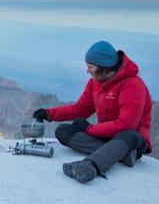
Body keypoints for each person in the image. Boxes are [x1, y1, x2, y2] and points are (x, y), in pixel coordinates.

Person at [33, 40, 152, 183]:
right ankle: (123, 156)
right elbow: (80, 108)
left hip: (130, 141)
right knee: (63, 131)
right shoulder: (95, 83)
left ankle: (91, 165)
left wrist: (90, 129)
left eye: (91, 67)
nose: (87, 71)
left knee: (130, 135)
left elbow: (126, 125)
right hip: (107, 138)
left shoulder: (132, 85)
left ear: (105, 68)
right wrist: (49, 113)